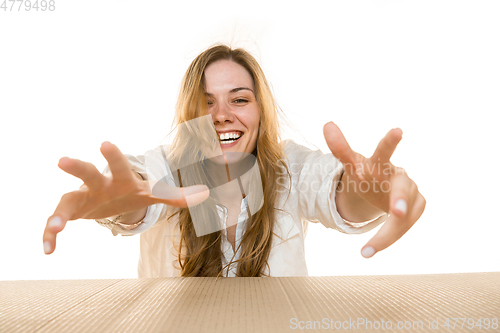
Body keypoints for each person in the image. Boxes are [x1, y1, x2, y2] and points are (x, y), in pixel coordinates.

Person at [43, 45, 426, 278]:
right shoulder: (166, 166)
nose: (221, 114)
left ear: (261, 111)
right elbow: (136, 185)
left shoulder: (290, 167)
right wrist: (119, 204)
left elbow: (338, 194)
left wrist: (369, 191)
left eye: (239, 99)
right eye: (205, 102)